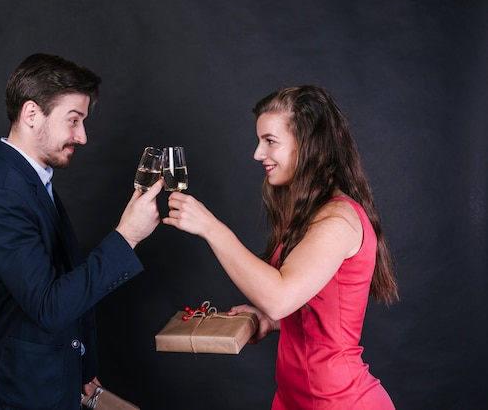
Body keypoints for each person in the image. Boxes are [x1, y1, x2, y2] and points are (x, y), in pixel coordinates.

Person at [163, 85, 398, 409]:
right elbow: (307, 303)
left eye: (270, 141)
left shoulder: (338, 219)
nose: (258, 154)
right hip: (292, 399)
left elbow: (279, 299)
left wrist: (210, 227)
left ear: (309, 145)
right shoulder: (308, 211)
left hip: (340, 402)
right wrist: (271, 322)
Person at [0, 53, 162, 410]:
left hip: (52, 382)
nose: (82, 136)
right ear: (31, 114)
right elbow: (49, 305)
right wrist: (127, 236)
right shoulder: (2, 195)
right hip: (17, 395)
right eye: (74, 120)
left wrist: (80, 362)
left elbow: (59, 280)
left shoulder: (30, 180)